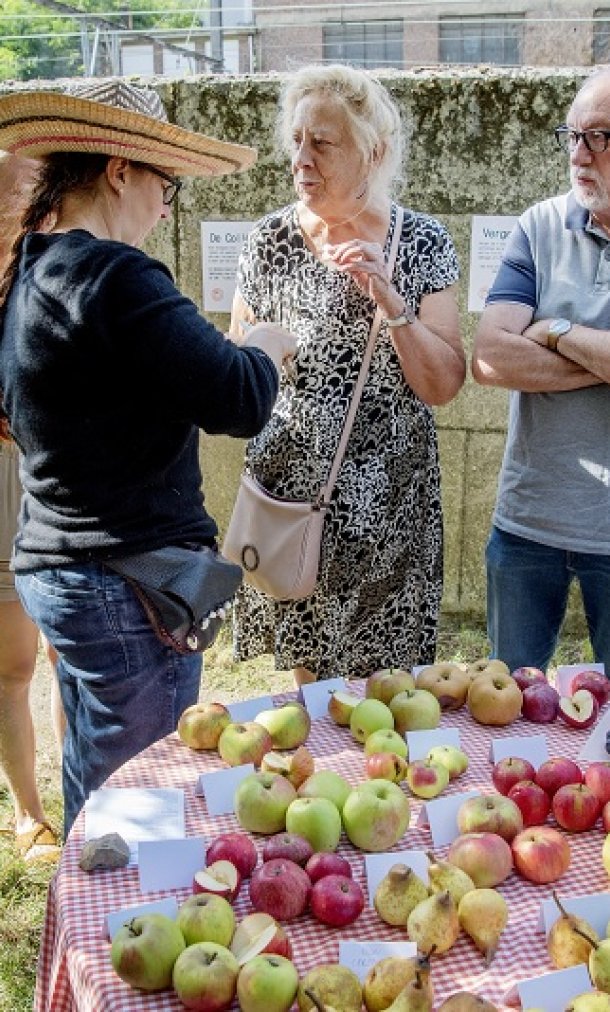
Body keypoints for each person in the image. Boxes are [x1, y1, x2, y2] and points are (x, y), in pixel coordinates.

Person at [0, 81, 295, 837]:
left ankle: (84, 928)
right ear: (120, 171)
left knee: (95, 784)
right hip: (128, 584)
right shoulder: (116, 277)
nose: (168, 207)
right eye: (165, 185)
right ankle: (112, 943)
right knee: (140, 803)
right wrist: (264, 348)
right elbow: (237, 396)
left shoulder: (30, 271)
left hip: (60, 571)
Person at [229, 64, 465, 687]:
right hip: (291, 501)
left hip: (389, 513)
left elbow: (444, 383)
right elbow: (237, 368)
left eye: (323, 143)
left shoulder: (421, 242)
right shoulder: (268, 240)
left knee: (386, 694)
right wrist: (256, 349)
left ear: (373, 152)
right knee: (310, 697)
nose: (301, 158)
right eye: (297, 140)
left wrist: (395, 305)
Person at [472, 68, 610, 675]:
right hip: (526, 523)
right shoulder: (538, 226)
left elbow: (523, 342)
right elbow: (491, 356)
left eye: (600, 136)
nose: (579, 154)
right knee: (507, 705)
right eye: (572, 134)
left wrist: (554, 330)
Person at [0, 152, 65, 863]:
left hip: (61, 482)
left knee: (65, 653)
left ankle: (79, 802)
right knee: (13, 664)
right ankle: (27, 812)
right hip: (3, 486)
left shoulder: (50, 275)